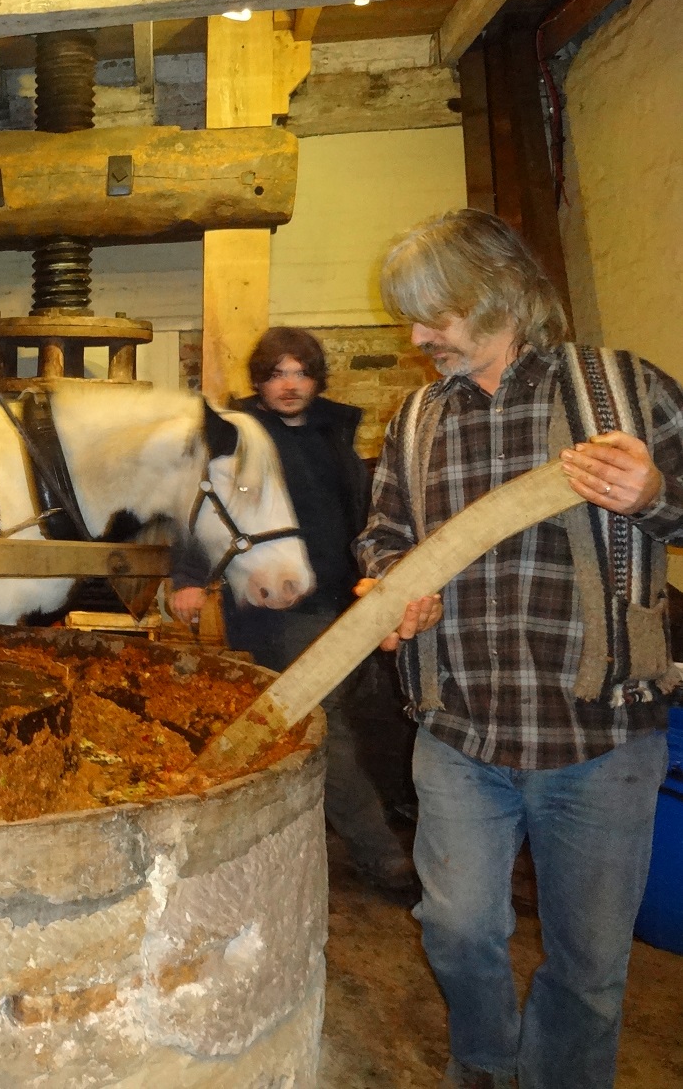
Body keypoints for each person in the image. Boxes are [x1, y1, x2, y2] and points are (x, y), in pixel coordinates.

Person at [354, 209, 682, 1089]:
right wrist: (391, 587)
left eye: (434, 315)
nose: (417, 338)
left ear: (499, 292)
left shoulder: (625, 391)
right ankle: (485, 1064)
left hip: (600, 738)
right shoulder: (415, 419)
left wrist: (653, 492)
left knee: (589, 965)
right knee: (456, 928)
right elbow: (383, 536)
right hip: (460, 731)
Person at [170, 325, 416, 893]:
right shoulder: (237, 434)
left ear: (317, 380)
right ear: (259, 381)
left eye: (301, 373)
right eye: (277, 374)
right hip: (279, 608)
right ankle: (379, 854)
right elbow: (199, 504)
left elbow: (363, 514)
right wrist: (188, 576)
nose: (289, 385)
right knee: (323, 723)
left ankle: (323, 827)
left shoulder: (333, 432)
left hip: (347, 598)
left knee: (356, 717)